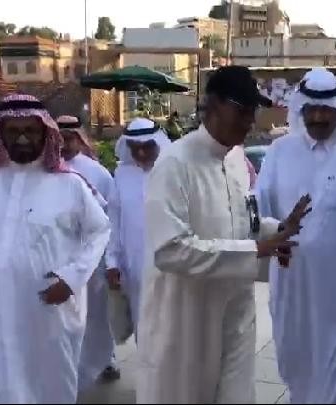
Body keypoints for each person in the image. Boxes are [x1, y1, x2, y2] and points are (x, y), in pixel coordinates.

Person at [135, 65, 311, 404]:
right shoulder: (175, 164)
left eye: (253, 111)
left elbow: (242, 221)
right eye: (241, 110)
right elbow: (170, 249)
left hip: (236, 312)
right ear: (213, 105)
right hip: (186, 318)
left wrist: (277, 231)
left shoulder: (236, 161)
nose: (249, 121)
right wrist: (256, 250)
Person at [0, 94, 111, 404]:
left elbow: (99, 230)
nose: (23, 138)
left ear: (45, 133)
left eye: (30, 130)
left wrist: (72, 278)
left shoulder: (70, 184)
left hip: (48, 311)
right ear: (0, 135)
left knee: (49, 387)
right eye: (13, 131)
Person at [254, 68, 336, 403]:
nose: (318, 117)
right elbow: (261, 209)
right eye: (311, 109)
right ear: (300, 109)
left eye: (326, 110)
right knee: (296, 364)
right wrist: (274, 234)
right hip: (292, 283)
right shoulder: (279, 152)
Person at [56, 115, 120, 387]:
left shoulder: (97, 173)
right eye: (60, 139)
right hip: (61, 256)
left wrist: (111, 257)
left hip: (93, 255)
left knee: (96, 312)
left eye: (70, 138)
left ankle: (107, 358)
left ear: (80, 139)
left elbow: (111, 217)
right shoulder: (48, 170)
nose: (65, 144)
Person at [105, 117, 172, 330]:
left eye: (147, 147)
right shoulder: (121, 175)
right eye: (135, 148)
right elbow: (114, 222)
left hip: (171, 266)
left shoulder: (173, 171)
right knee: (143, 327)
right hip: (134, 268)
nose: (141, 153)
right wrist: (112, 262)